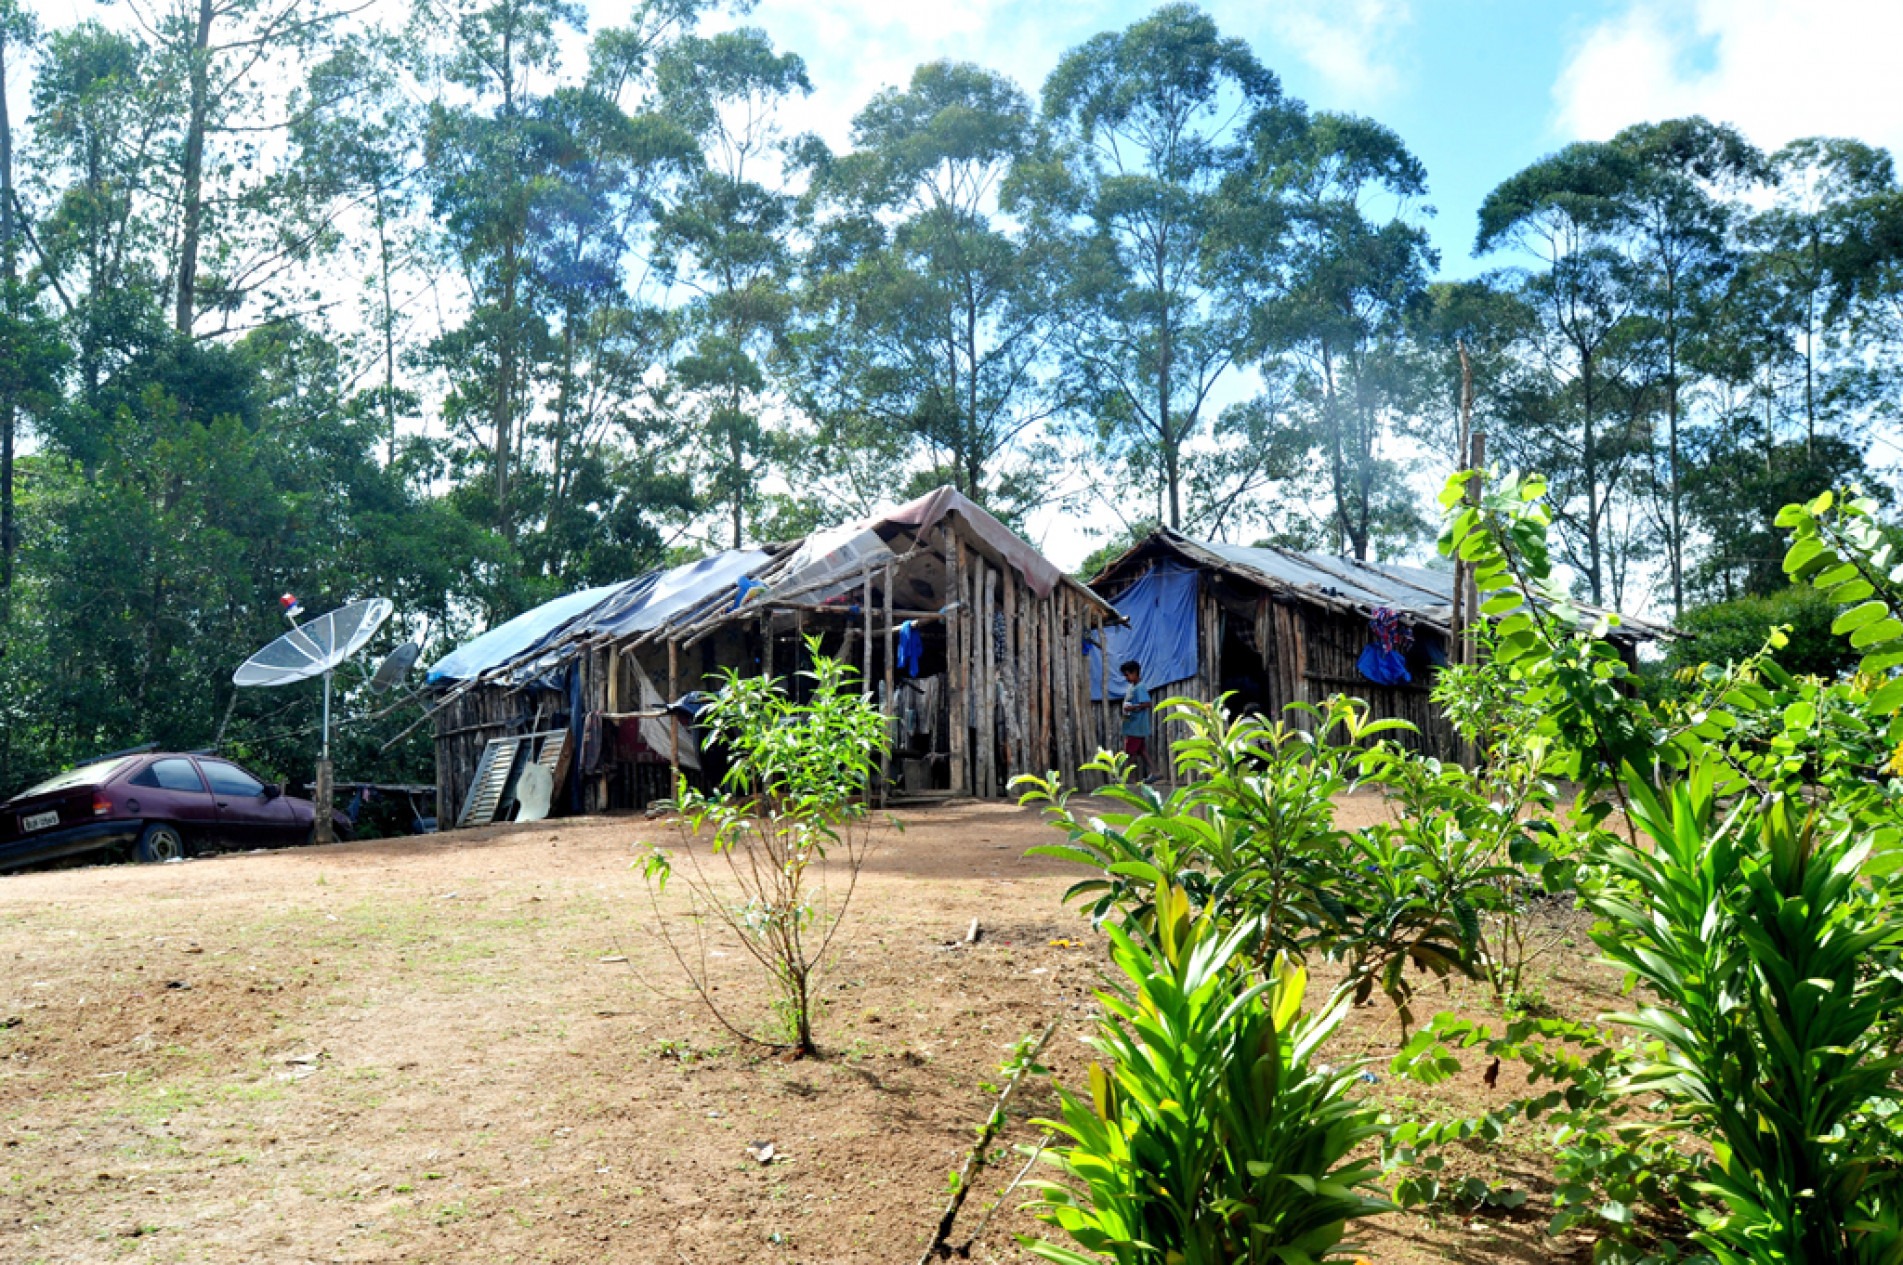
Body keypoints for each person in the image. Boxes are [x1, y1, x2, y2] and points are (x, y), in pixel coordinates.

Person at [1118, 658, 1153, 781]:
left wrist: (1134, 707)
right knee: (1141, 751)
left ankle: (1128, 777)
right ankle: (1155, 772)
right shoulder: (1132, 687)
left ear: (1135, 673)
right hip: (1131, 725)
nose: (1126, 678)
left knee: (1130, 752)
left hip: (1136, 726)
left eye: (1127, 675)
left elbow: (1147, 703)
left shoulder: (1140, 687)